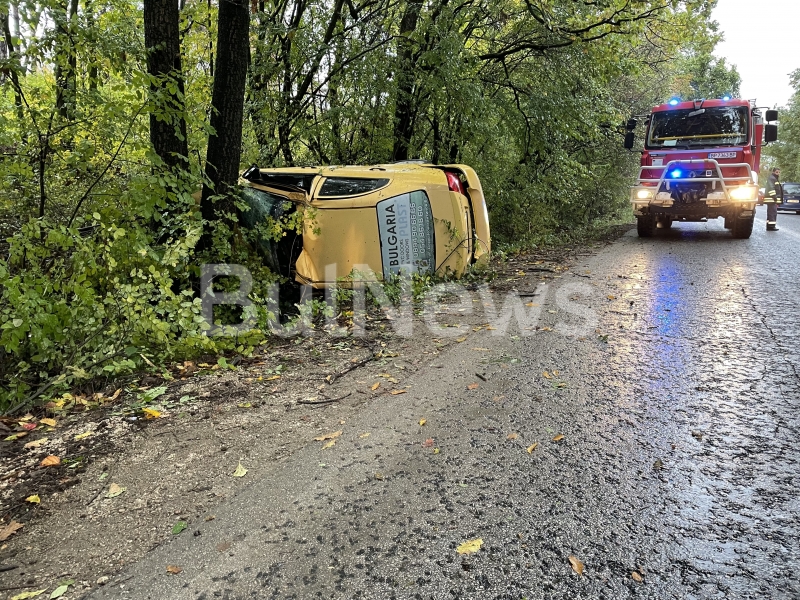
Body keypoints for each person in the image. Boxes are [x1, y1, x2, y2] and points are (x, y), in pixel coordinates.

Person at [764, 167, 782, 231]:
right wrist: (775, 197)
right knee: (772, 212)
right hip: (771, 199)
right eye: (777, 172)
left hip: (771, 199)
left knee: (771, 212)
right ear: (773, 172)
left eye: (779, 172)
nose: (778, 174)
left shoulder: (773, 178)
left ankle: (769, 226)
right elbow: (771, 188)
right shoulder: (772, 178)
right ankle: (771, 226)